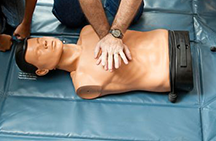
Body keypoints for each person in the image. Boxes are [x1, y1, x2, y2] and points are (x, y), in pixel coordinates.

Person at [15, 25, 193, 101]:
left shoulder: (89, 30)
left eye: (39, 40)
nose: (44, 43)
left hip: (169, 37)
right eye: (39, 51)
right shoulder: (84, 83)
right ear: (42, 71)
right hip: (174, 71)